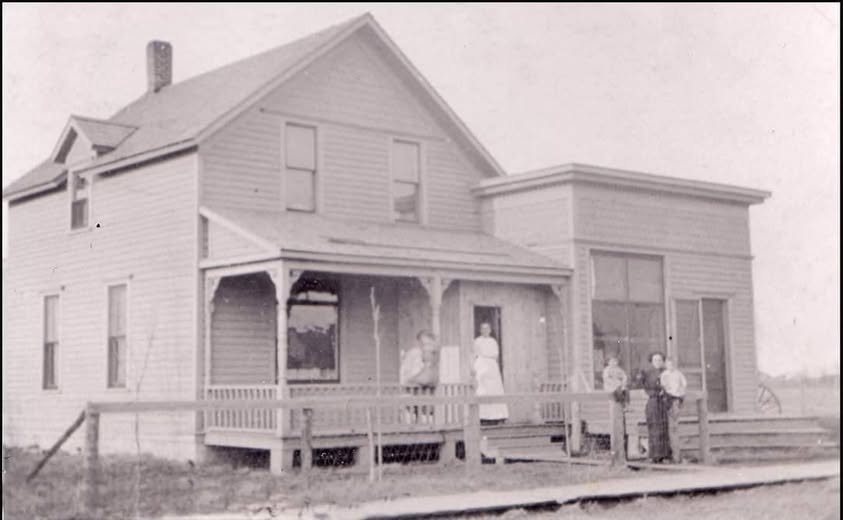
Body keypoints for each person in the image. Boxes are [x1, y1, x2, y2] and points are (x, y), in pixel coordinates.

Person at [638, 352, 671, 463]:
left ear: (663, 362)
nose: (657, 362)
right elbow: (643, 386)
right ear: (651, 362)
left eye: (660, 360)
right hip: (653, 402)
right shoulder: (647, 373)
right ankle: (654, 455)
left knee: (663, 428)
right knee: (654, 428)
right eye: (655, 360)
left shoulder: (667, 372)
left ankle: (664, 455)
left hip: (664, 402)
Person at [472, 322, 508, 424]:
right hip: (480, 365)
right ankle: (482, 416)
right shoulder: (477, 341)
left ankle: (497, 416)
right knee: (482, 390)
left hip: (491, 367)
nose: (485, 330)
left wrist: (489, 361)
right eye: (483, 328)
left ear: (490, 330)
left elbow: (495, 355)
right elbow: (474, 355)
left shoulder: (493, 341)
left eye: (487, 328)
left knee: (494, 389)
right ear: (480, 330)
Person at [399, 331, 440, 423]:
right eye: (424, 344)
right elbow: (419, 378)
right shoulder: (414, 354)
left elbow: (429, 379)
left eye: (429, 344)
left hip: (424, 396)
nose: (426, 347)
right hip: (410, 393)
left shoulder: (432, 357)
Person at [660, 357, 688, 463]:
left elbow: (684, 384)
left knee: (674, 426)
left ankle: (676, 456)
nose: (670, 366)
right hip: (667, 398)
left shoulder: (678, 374)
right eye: (668, 364)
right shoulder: (664, 374)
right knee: (668, 426)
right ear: (666, 365)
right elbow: (663, 386)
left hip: (676, 398)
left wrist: (680, 392)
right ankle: (671, 454)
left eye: (672, 364)